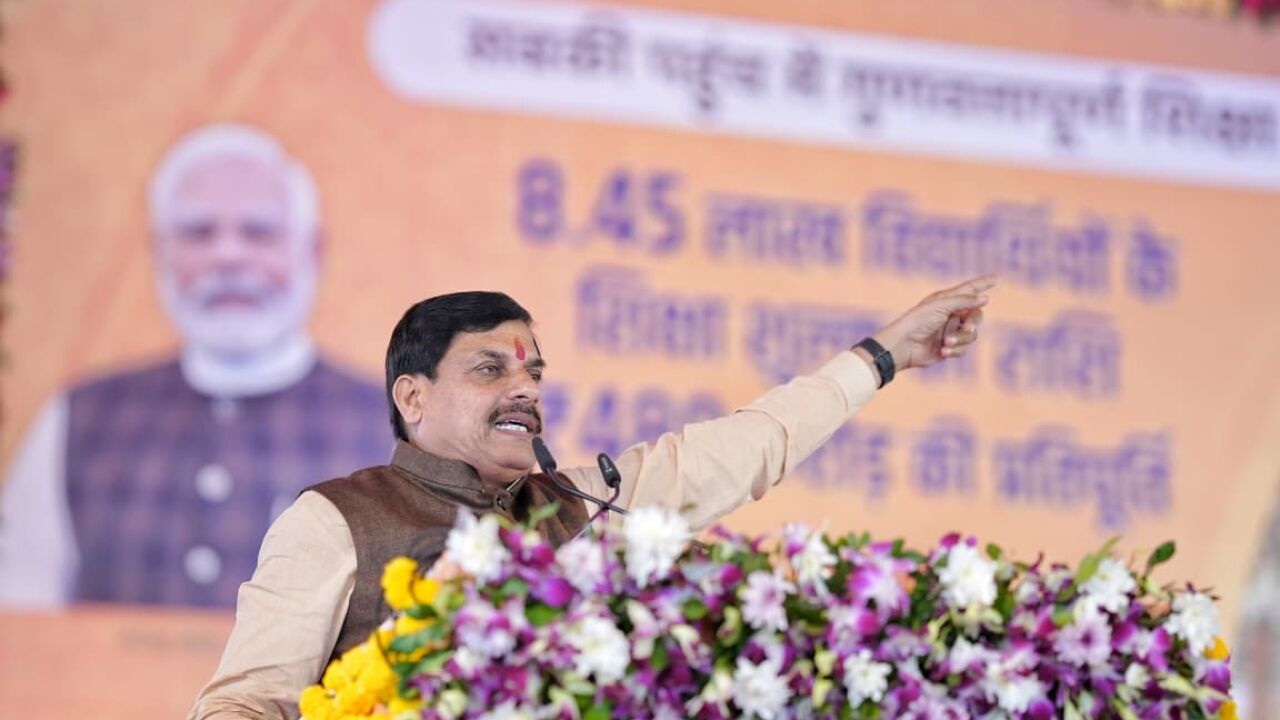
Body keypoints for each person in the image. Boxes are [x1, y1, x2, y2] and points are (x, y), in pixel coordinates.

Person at [189, 278, 993, 718]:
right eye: (491, 369)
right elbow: (241, 706)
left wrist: (884, 356)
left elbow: (753, 444)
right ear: (413, 396)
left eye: (533, 373)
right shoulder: (337, 519)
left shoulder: (583, 509)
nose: (525, 389)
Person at [0, 124, 392, 609]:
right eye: (198, 233)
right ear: (159, 252)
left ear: (313, 250)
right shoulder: (80, 418)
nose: (228, 256)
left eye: (259, 232)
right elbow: (21, 610)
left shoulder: (393, 429)